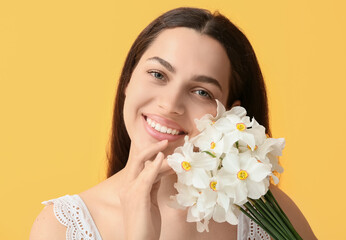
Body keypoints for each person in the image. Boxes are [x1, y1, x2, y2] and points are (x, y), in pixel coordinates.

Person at [30, 7, 317, 240]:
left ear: (230, 116)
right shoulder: (61, 228)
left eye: (201, 92)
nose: (170, 104)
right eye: (158, 74)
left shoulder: (268, 216)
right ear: (128, 81)